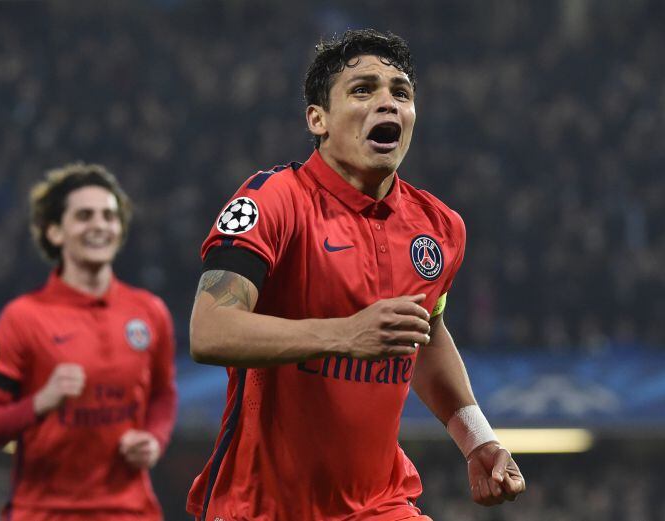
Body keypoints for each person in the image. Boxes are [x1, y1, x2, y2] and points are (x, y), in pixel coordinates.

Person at [186, 29, 525, 521]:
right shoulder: (273, 200)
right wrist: (344, 334)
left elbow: (425, 335)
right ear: (317, 119)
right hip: (261, 507)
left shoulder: (439, 227)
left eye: (400, 92)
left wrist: (478, 440)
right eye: (363, 89)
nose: (387, 102)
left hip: (379, 504)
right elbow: (209, 329)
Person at [0, 163, 177, 521]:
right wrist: (40, 401)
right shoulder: (22, 318)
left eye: (109, 216)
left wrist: (154, 438)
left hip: (130, 511)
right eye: (84, 215)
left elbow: (163, 394)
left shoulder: (149, 312)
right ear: (54, 232)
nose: (99, 225)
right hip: (45, 513)